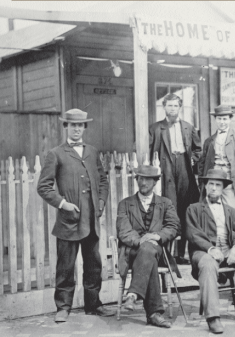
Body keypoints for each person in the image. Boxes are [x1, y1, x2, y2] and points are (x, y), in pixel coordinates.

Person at [37, 109, 113, 322]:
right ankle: (63, 307)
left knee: (93, 265)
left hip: (91, 220)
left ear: (85, 128)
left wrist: (100, 202)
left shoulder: (93, 151)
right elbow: (43, 187)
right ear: (66, 127)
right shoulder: (56, 153)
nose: (77, 129)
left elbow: (103, 180)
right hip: (68, 221)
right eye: (73, 125)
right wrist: (63, 204)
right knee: (66, 267)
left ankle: (93, 304)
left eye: (80, 126)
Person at [186, 169, 235, 334]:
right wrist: (210, 249)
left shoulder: (231, 211)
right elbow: (192, 234)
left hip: (228, 251)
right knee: (208, 265)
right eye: (211, 184)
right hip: (204, 252)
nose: (214, 188)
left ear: (223, 189)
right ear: (205, 187)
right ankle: (213, 317)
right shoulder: (193, 209)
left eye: (218, 185)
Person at [116, 165, 180, 328]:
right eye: (140, 178)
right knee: (147, 251)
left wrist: (158, 236)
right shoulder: (125, 204)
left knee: (149, 251)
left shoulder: (165, 203)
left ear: (155, 182)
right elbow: (124, 231)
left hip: (158, 251)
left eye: (147, 179)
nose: (143, 182)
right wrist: (141, 241)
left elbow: (173, 226)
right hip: (131, 251)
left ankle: (133, 294)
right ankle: (154, 313)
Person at [149, 93, 201, 264]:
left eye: (175, 105)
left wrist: (194, 158)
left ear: (180, 108)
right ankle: (166, 254)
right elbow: (148, 152)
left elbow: (198, 149)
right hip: (166, 168)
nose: (172, 108)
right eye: (169, 105)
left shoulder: (188, 127)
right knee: (169, 208)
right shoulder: (156, 128)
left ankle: (180, 254)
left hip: (184, 167)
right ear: (164, 107)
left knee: (185, 209)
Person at [198, 105, 235, 211]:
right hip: (213, 180)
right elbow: (202, 163)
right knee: (211, 210)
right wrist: (203, 181)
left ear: (230, 119)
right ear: (215, 119)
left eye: (225, 119)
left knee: (231, 210)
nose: (222, 122)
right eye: (219, 119)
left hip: (230, 181)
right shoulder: (209, 141)